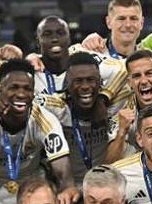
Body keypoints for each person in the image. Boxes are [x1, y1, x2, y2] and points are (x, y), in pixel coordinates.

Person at [0, 59, 76, 204]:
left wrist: (67, 189)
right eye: (14, 88)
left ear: (34, 93)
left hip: (28, 186)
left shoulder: (45, 120)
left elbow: (62, 168)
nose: (21, 94)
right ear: (0, 91)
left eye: (27, 89)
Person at [45, 52, 126, 181]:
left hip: (105, 184)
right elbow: (30, 101)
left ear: (100, 82)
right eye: (78, 81)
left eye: (91, 80)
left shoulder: (115, 103)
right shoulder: (56, 107)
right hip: (67, 189)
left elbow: (127, 70)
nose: (85, 86)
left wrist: (104, 97)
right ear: (67, 84)